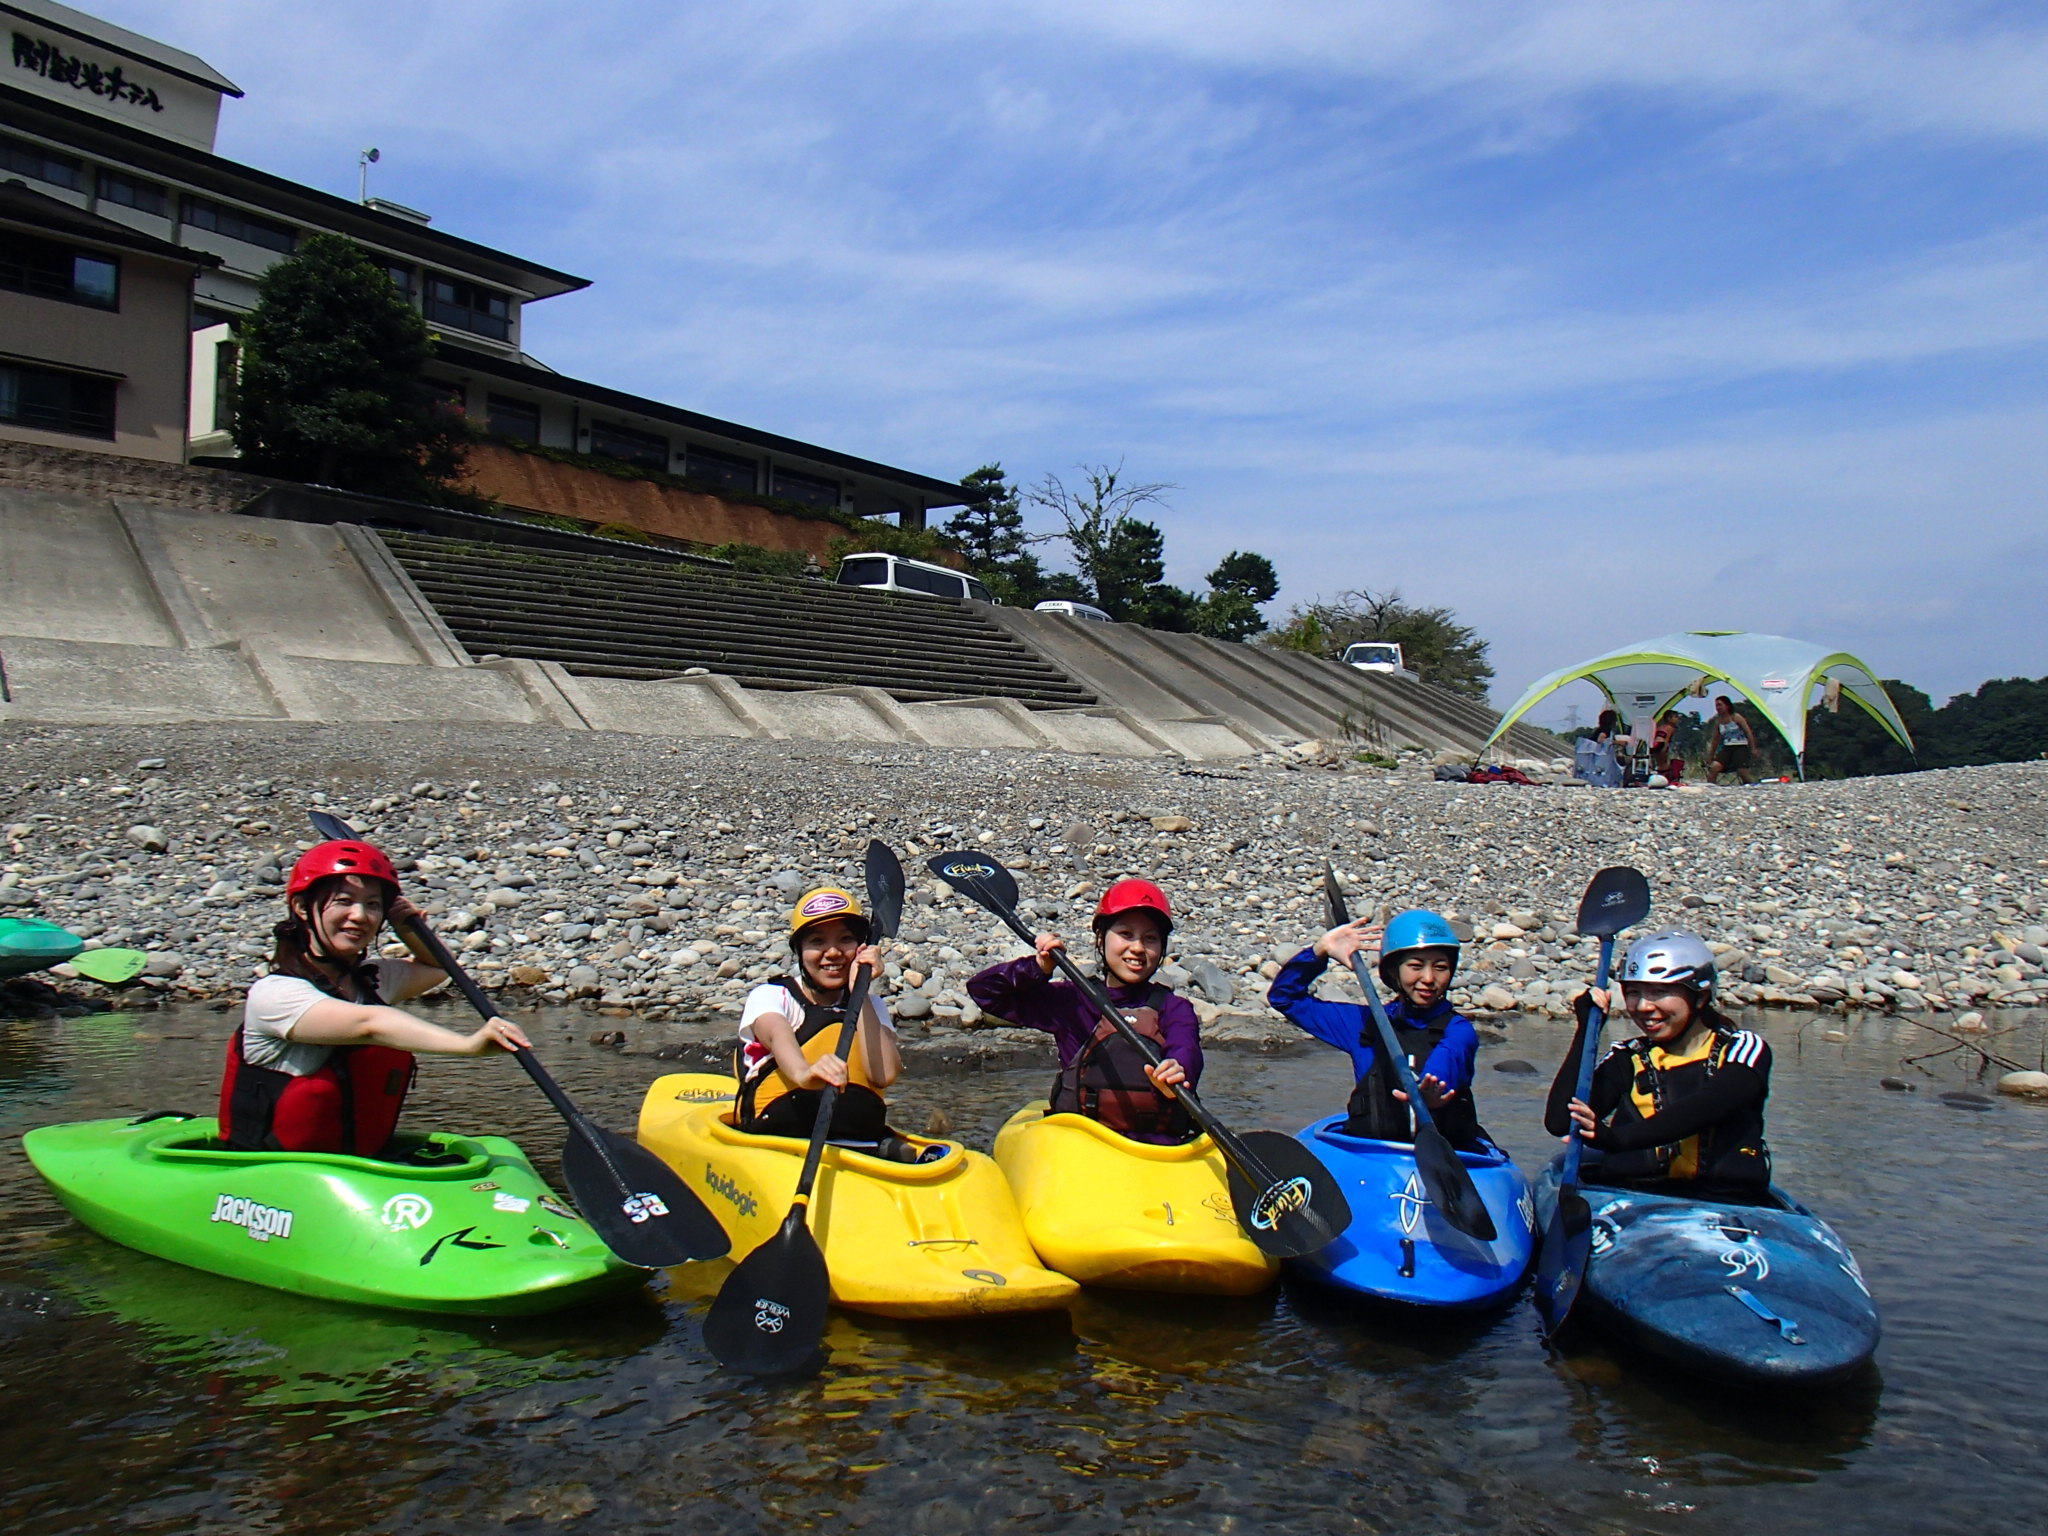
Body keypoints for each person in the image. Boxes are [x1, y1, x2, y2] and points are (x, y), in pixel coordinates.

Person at [218, 840, 530, 1156]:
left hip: (350, 1166)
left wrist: (408, 927)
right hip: (271, 1169)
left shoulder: (369, 980)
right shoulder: (275, 994)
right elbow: (370, 1023)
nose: (360, 916)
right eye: (344, 901)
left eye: (373, 905)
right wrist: (468, 1045)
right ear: (301, 908)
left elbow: (440, 968)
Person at [1543, 929, 1772, 1199]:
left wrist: (1615, 1139)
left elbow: (1710, 1104)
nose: (1642, 1006)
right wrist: (1586, 1031)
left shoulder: (1743, 1049)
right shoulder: (1628, 1058)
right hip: (1636, 1200)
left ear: (1699, 997)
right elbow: (1560, 1121)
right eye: (1634, 992)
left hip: (1728, 1202)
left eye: (1659, 992)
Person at [967, 878, 1199, 1144]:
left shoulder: (1175, 1009)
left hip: (1160, 1146)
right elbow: (984, 992)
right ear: (1101, 939)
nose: (1137, 947)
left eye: (1150, 938)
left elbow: (1186, 1048)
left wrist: (1178, 1070)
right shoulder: (1073, 1001)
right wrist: (1037, 968)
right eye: (1126, 934)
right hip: (1083, 1144)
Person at [733, 886, 933, 1162]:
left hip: (859, 1148)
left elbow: (883, 1075)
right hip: (778, 1146)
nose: (833, 953)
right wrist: (806, 1074)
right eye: (817, 941)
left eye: (846, 940)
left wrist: (859, 992)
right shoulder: (771, 997)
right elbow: (778, 1036)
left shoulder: (871, 1006)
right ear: (800, 951)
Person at [1267, 908, 1488, 1149]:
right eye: (1415, 966)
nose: (1428, 978)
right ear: (1394, 971)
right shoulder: (1363, 1023)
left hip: (1452, 1154)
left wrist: (1429, 1091)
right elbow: (1285, 998)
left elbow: (1447, 1058)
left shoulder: (1459, 1030)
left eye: (1440, 967)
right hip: (1375, 1155)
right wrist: (1320, 951)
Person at [1706, 695, 1758, 784]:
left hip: (1740, 746)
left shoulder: (1736, 717)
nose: (1717, 708)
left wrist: (1753, 748)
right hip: (1727, 747)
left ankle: (1749, 785)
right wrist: (1711, 755)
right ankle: (1711, 787)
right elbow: (1716, 739)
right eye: (1716, 706)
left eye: (1720, 705)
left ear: (1727, 706)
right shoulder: (1719, 721)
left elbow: (1748, 732)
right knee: (1714, 768)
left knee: (1742, 772)